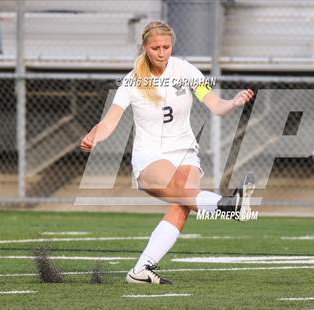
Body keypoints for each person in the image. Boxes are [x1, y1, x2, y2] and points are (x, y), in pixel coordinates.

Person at [79, 20, 255, 285]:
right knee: (181, 192)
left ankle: (141, 270)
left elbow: (215, 105)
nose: (162, 53)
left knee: (183, 204)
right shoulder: (132, 80)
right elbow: (110, 120)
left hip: (185, 151)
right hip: (150, 155)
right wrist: (95, 135)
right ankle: (228, 205)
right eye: (155, 48)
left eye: (166, 47)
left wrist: (233, 102)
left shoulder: (184, 69)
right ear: (145, 48)